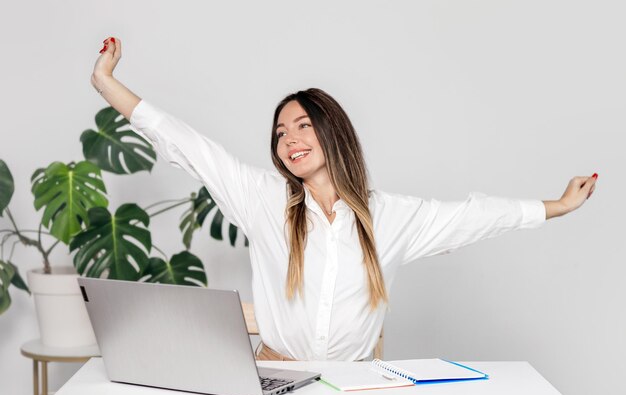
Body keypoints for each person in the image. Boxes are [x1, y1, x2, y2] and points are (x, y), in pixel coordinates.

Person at [91, 37, 598, 362]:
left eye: (303, 126)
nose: (289, 140)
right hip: (276, 376)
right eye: (280, 133)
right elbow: (186, 143)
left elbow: (473, 217)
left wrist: (557, 206)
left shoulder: (390, 217)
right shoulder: (261, 199)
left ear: (333, 134)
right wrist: (106, 83)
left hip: (357, 387)